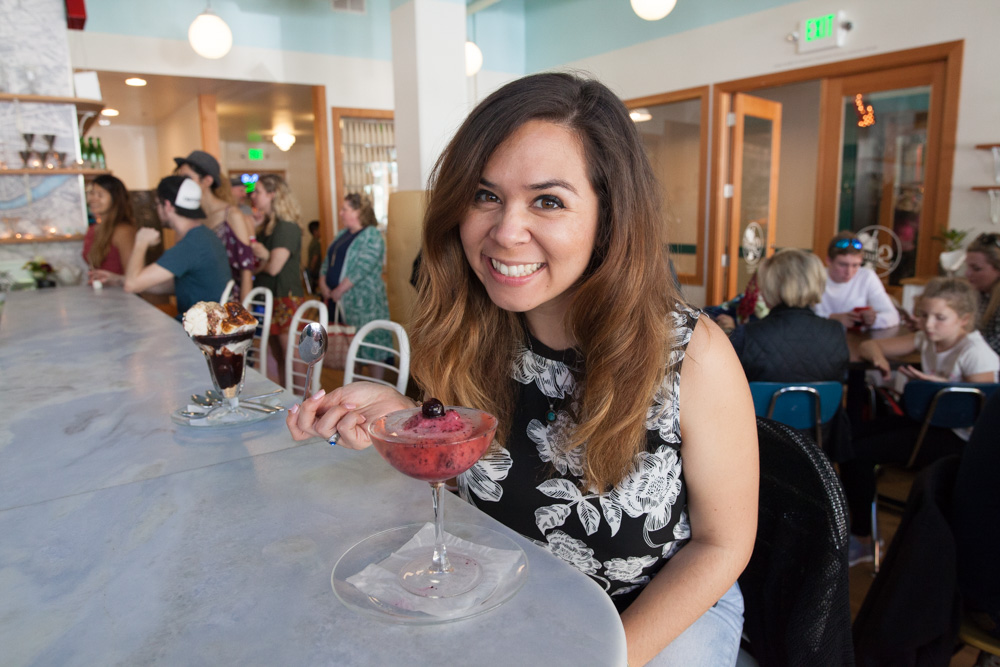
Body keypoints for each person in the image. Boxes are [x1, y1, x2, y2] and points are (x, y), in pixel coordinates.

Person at [287, 72, 758, 667]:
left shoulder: (691, 354)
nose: (506, 232)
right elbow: (478, 487)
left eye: (548, 201)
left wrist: (612, 657)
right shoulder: (469, 328)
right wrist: (409, 420)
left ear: (610, 216)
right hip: (521, 596)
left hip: (652, 613)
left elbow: (723, 546)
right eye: (486, 196)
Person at [840, 277, 999, 566]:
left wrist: (939, 385)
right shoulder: (926, 338)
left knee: (856, 453)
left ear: (964, 319)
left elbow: (985, 410)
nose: (928, 324)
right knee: (847, 437)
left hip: (959, 439)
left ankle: (862, 537)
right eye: (924, 315)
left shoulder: (975, 352)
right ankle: (858, 528)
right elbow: (870, 345)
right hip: (929, 424)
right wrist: (879, 359)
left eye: (940, 318)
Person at [732, 249, 848, 383]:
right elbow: (841, 378)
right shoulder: (836, 331)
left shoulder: (747, 335)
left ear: (770, 286)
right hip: (822, 398)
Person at [123, 176, 230, 320]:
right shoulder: (203, 236)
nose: (157, 210)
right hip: (210, 326)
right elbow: (174, 285)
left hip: (196, 330)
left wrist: (141, 241)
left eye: (157, 204)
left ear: (167, 205)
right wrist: (118, 279)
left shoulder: (190, 245)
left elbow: (131, 285)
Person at [318, 194, 391, 375]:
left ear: (359, 211)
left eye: (345, 209)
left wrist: (339, 290)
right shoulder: (342, 234)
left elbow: (362, 268)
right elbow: (327, 262)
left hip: (365, 304)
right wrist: (323, 283)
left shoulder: (372, 235)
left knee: (372, 345)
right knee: (350, 347)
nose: (341, 213)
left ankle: (377, 386)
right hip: (342, 303)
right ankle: (354, 387)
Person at [174, 150, 256, 301]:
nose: (182, 183)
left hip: (226, 302)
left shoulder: (231, 214)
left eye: (187, 178)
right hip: (195, 299)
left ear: (207, 181)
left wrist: (245, 308)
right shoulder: (188, 218)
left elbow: (246, 267)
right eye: (179, 178)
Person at [250, 174, 304, 386]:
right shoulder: (268, 226)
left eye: (258, 191)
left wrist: (264, 258)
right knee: (279, 356)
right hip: (270, 297)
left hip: (284, 296)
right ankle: (288, 398)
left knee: (292, 357)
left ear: (272, 194)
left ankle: (306, 400)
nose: (253, 196)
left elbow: (273, 267)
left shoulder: (286, 227)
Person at [815, 231, 900, 330]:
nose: (849, 272)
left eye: (855, 265)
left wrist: (874, 320)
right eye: (843, 265)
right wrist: (832, 318)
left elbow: (893, 316)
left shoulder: (866, 277)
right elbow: (803, 317)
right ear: (828, 261)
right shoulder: (815, 278)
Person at [84, 174, 137, 287]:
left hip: (122, 294)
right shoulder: (93, 229)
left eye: (100, 195)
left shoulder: (123, 231)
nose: (93, 199)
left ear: (115, 198)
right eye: (92, 193)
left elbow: (133, 276)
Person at [965, 232, 1000, 355]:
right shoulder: (981, 294)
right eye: (968, 267)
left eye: (976, 269)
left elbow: (994, 348)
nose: (967, 273)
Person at [306, 220, 322, 293]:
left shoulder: (312, 242)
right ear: (315, 232)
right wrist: (311, 270)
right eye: (320, 229)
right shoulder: (317, 243)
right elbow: (314, 258)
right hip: (316, 270)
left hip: (313, 270)